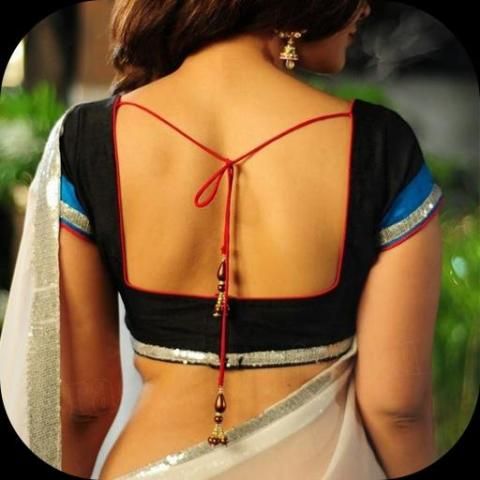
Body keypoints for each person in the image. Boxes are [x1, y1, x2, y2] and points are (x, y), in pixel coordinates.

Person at [0, 0, 445, 478]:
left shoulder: (86, 140)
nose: (365, 8)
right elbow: (396, 408)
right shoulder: (381, 146)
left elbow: (82, 404)